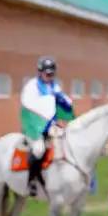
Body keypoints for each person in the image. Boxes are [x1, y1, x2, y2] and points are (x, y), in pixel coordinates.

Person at [19, 56, 75, 197]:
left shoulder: (54, 86)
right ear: (40, 72)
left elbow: (65, 101)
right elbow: (29, 105)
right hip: (34, 125)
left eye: (52, 74)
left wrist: (64, 100)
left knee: (67, 140)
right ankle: (31, 181)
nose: (49, 76)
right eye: (47, 73)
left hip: (50, 125)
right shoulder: (32, 86)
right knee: (39, 149)